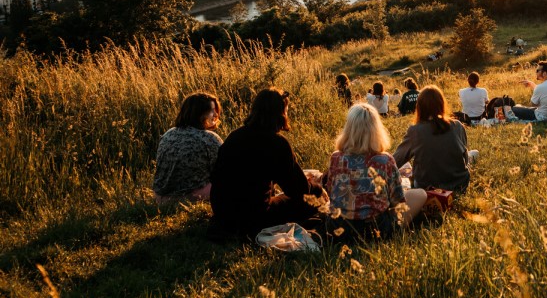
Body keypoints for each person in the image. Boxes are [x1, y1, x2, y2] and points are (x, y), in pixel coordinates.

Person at [210, 88, 322, 237]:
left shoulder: (234, 136)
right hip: (255, 218)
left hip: (223, 214)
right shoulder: (277, 143)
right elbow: (298, 190)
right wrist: (314, 185)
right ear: (281, 113)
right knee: (316, 193)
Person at [324, 103, 427, 242]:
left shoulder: (336, 157)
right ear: (376, 129)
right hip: (377, 230)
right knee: (420, 194)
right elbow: (398, 201)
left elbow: (331, 193)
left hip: (340, 230)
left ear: (348, 129)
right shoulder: (384, 160)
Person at [394, 85, 477, 193]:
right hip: (459, 185)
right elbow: (464, 157)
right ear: (442, 104)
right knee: (474, 153)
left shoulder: (415, 130)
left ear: (419, 106)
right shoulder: (457, 125)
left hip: (428, 188)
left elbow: (395, 161)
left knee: (406, 165)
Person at [153, 92, 223, 204]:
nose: (215, 114)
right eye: (212, 110)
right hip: (189, 198)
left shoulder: (168, 134)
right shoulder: (209, 138)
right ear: (200, 114)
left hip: (160, 197)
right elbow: (223, 170)